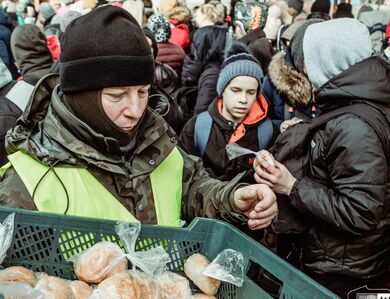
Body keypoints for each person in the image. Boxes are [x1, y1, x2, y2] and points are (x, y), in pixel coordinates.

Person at [0, 6, 277, 233]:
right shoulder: (25, 181)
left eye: (143, 91)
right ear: (80, 96)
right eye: (117, 95)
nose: (136, 109)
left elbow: (192, 187)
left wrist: (231, 198)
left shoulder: (156, 136)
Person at [255, 18, 390, 299]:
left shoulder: (353, 125)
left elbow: (362, 211)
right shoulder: (363, 104)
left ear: (326, 63)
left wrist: (292, 185)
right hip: (368, 269)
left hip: (346, 276)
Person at [179, 41, 278, 183]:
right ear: (222, 90)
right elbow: (184, 175)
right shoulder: (197, 127)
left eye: (250, 92)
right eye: (236, 90)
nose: (243, 99)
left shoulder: (267, 132)